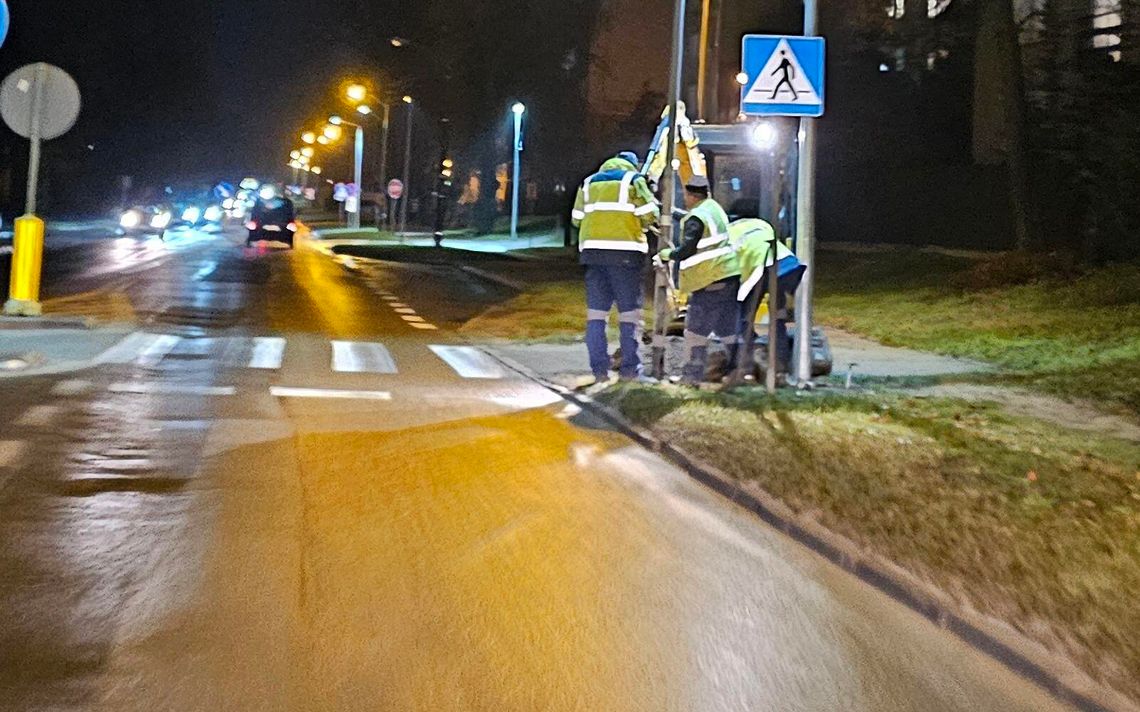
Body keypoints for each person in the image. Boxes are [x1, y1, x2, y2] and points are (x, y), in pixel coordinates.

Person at [571, 152, 660, 386]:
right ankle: (630, 370)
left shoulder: (589, 182)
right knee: (629, 315)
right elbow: (651, 215)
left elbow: (576, 219)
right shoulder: (633, 180)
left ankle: (599, 371)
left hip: (592, 256)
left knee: (596, 315)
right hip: (625, 257)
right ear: (632, 164)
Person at [657, 175, 742, 386]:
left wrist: (667, 254)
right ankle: (741, 371)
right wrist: (670, 211)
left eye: (685, 195)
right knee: (728, 329)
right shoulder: (713, 208)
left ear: (690, 195)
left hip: (709, 281)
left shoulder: (696, 217)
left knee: (695, 331)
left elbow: (686, 250)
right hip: (729, 278)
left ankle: (690, 377)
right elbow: (695, 222)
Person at [726, 218, 807, 386]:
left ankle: (745, 371)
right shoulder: (758, 223)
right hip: (786, 266)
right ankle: (779, 369)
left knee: (743, 320)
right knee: (778, 317)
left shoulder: (727, 236)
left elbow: (732, 271)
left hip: (759, 270)